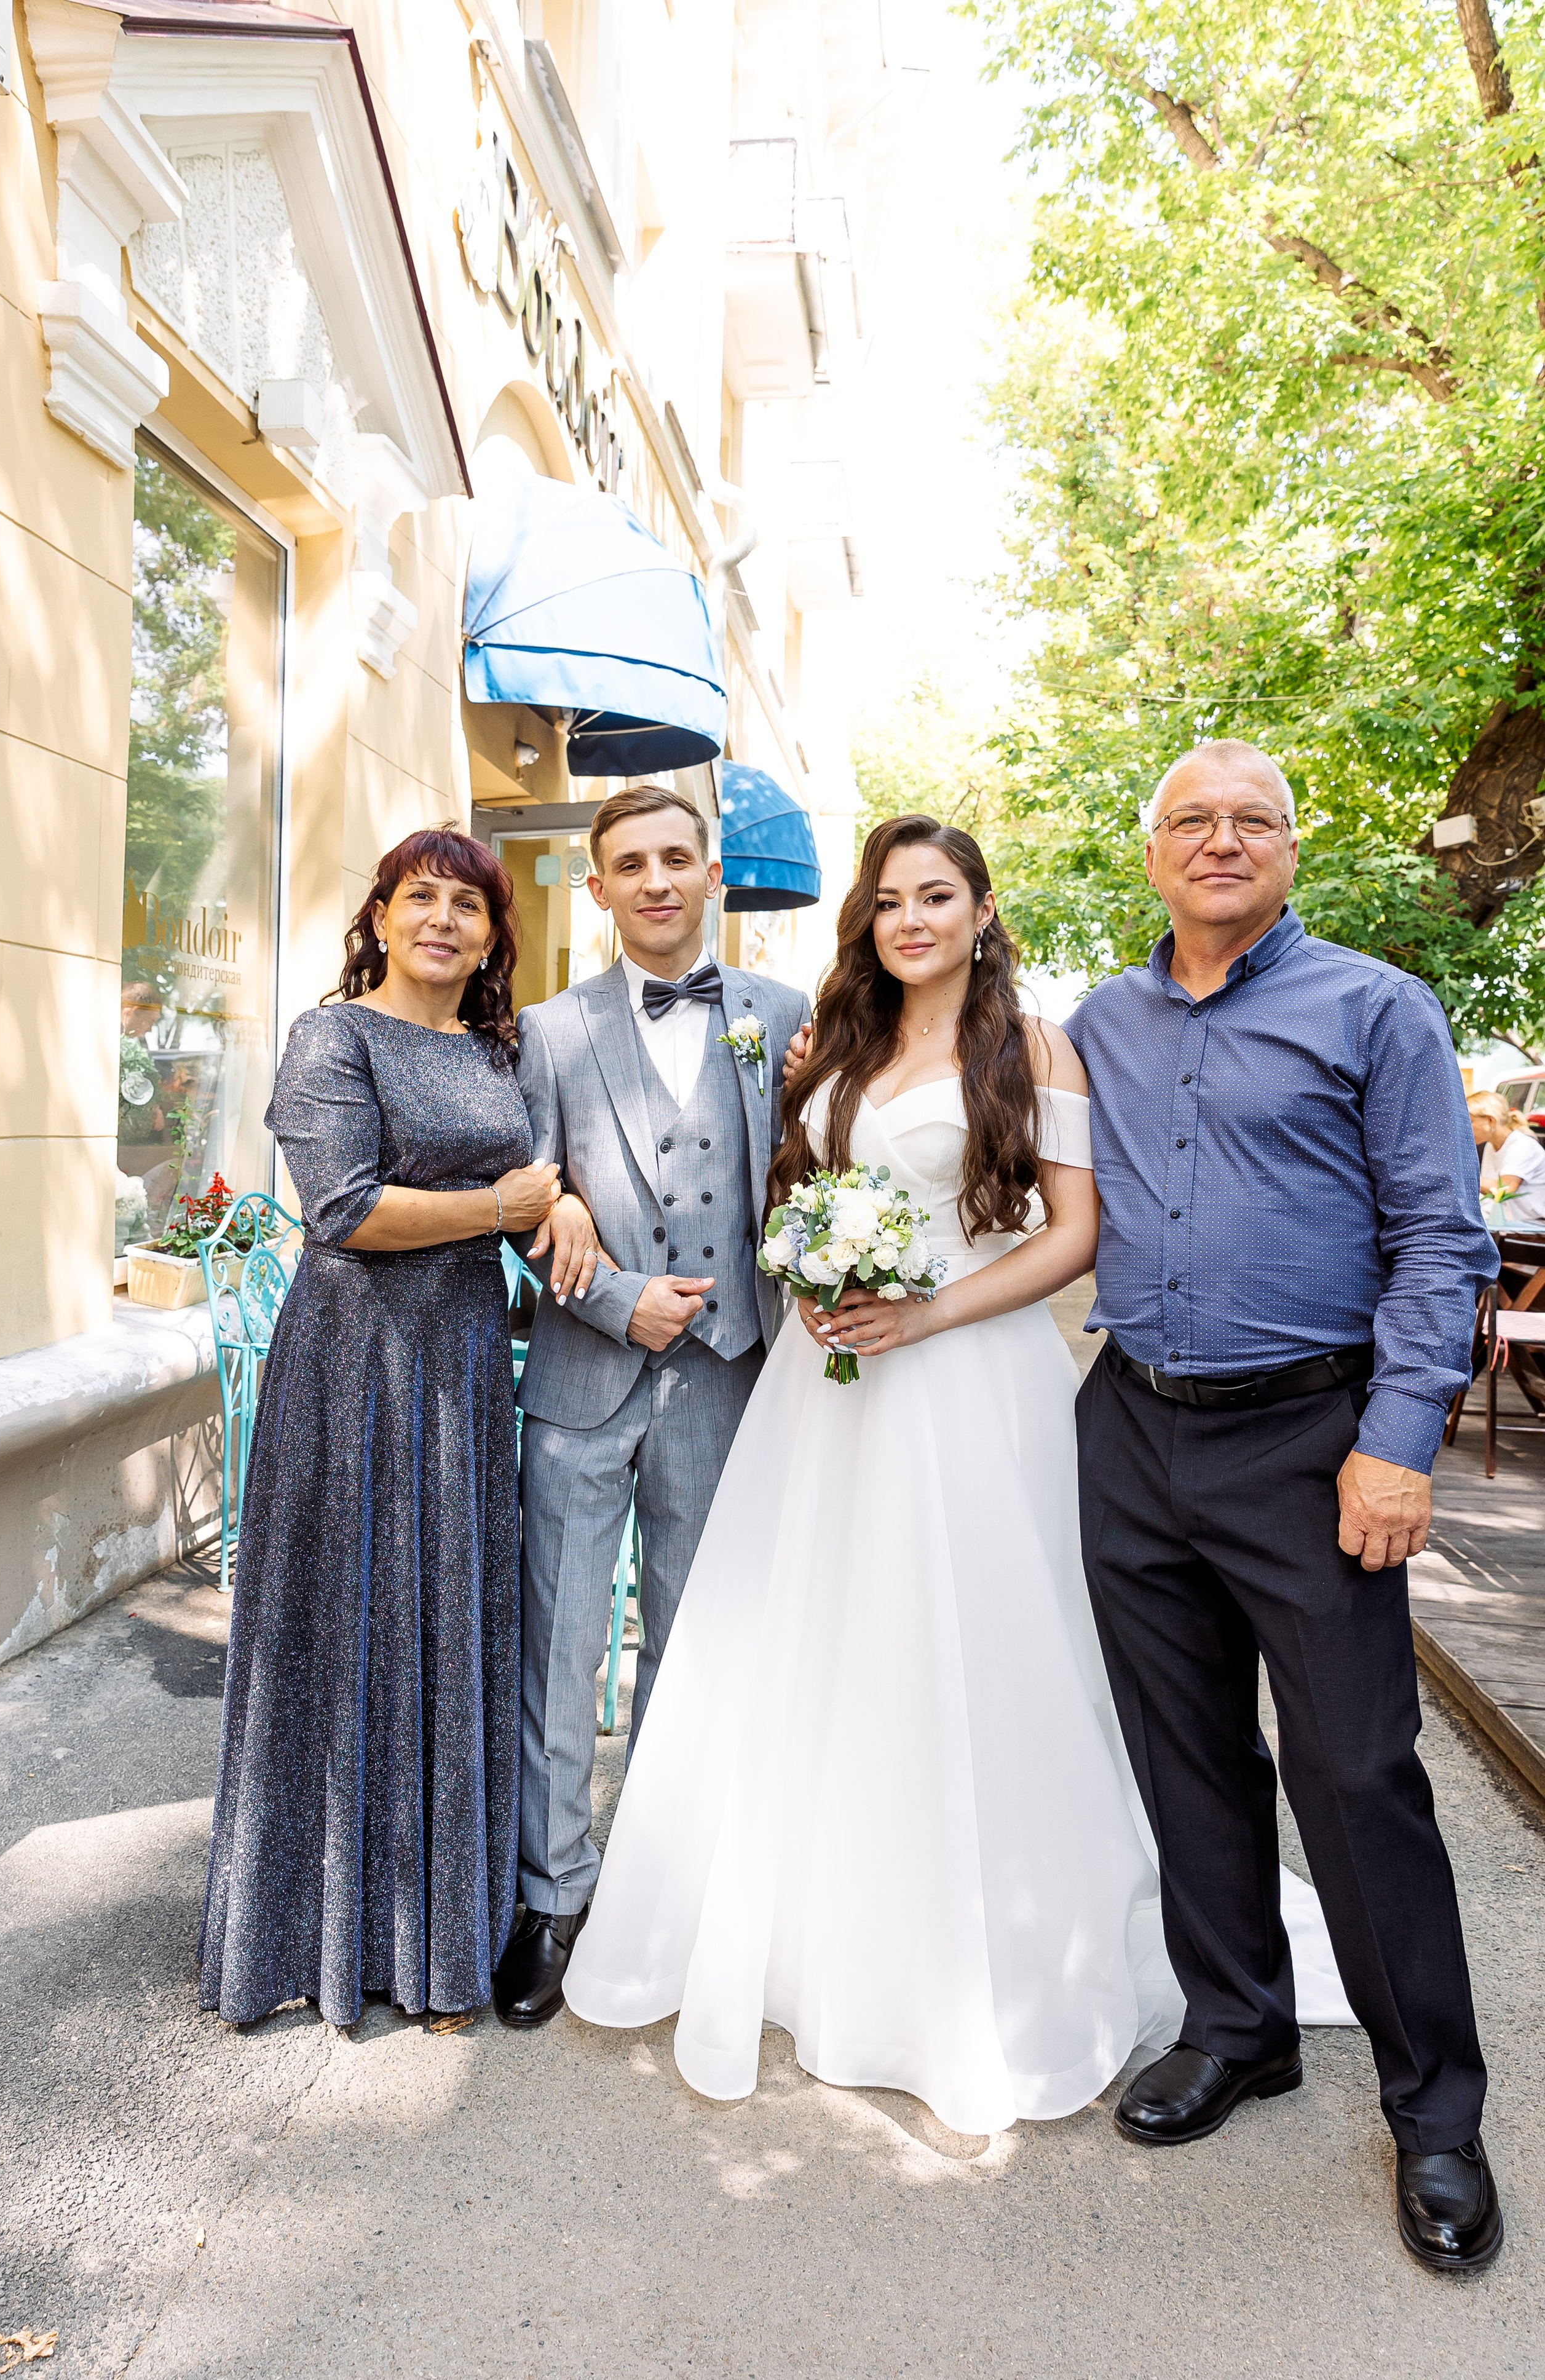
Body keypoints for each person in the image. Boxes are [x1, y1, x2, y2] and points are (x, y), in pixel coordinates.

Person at [562, 815, 1351, 2131]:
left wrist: (927, 1311)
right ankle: (817, 1929)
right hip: (823, 1397)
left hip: (967, 1381)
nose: (911, 918)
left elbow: (1075, 1233)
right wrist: (812, 1268)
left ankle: (1017, 1950)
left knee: (981, 1650)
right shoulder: (834, 1044)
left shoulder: (1031, 1049)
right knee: (818, 1648)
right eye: (888, 901)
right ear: (865, 923)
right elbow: (782, 1194)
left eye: (937, 896)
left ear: (983, 910)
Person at [1064, 741, 1503, 2274]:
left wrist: (1395, 1442)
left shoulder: (1372, 1008)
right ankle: (1238, 2027)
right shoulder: (1095, 1025)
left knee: (1355, 1773)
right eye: (1190, 817)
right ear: (1149, 850)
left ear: (1290, 848)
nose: (1220, 839)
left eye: (1252, 818)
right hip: (1131, 1428)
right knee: (1183, 1757)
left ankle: (1435, 2114)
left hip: (1308, 1439)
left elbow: (1439, 1243)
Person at [199, 827, 598, 2030]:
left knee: (446, 1627)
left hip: (465, 1366)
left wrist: (558, 1203)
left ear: (491, 934)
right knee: (342, 1630)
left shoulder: (495, 1049)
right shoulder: (331, 1037)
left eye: (466, 907)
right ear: (378, 916)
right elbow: (341, 1206)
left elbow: (546, 1172)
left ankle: (435, 1949)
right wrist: (508, 1203)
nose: (442, 920)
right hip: (353, 1370)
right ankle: (316, 1937)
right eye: (418, 897)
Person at [492, 784, 810, 2028]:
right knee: (558, 1647)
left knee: (691, 1647)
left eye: (676, 857)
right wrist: (610, 1288)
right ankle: (551, 1896)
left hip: (730, 1375)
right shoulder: (548, 1032)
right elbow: (513, 1204)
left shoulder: (784, 1019)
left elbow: (828, 1164)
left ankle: (667, 1888)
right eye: (630, 863)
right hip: (582, 1378)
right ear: (599, 887)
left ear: (712, 872)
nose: (657, 880)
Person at [1468, 1088, 1545, 1228]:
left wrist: (1462, 1175)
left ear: (1490, 1121)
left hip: (1532, 1227)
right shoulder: (1491, 1147)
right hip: (1505, 1224)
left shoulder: (1523, 1145)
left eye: (1470, 1121)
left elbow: (1502, 1189)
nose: (1465, 1128)